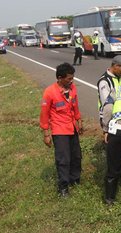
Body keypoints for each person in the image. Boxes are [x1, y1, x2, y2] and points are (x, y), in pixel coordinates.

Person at [39, 63, 83, 197]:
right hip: (59, 130)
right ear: (59, 78)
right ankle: (63, 187)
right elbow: (44, 114)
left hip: (72, 127)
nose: (72, 81)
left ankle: (74, 179)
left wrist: (79, 120)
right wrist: (46, 133)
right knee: (63, 159)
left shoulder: (72, 88)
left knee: (76, 156)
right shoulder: (49, 92)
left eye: (72, 78)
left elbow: (75, 105)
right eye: (69, 79)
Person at [97, 55, 121, 134]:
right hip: (110, 119)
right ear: (116, 66)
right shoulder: (105, 81)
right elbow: (108, 107)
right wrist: (106, 128)